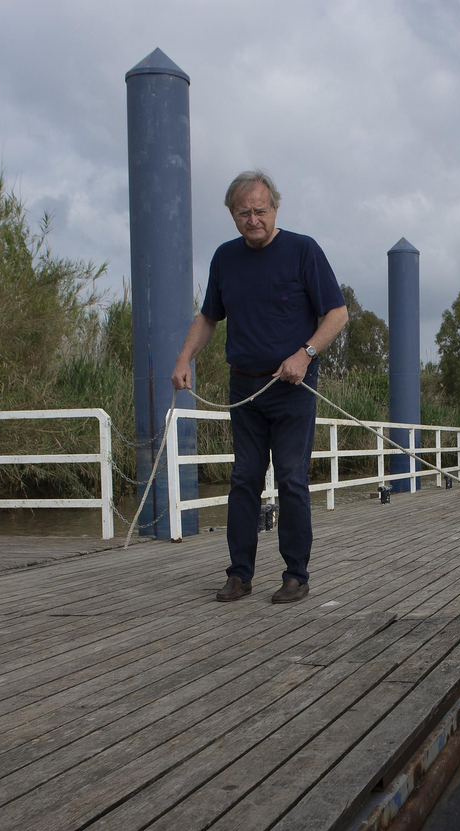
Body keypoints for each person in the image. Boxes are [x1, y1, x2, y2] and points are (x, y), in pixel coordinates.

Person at [170, 171, 347, 604]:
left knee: (290, 477)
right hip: (244, 389)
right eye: (243, 213)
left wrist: (304, 354)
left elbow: (337, 314)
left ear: (275, 209)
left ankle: (296, 575)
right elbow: (209, 317)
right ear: (232, 215)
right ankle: (239, 575)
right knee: (244, 478)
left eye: (260, 210)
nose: (253, 220)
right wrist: (183, 358)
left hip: (292, 387)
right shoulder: (224, 258)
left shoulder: (303, 251)